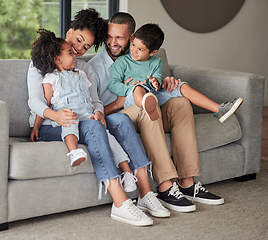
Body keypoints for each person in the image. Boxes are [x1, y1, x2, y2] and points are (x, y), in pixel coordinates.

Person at [27, 8, 169, 226]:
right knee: (93, 128)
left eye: (85, 46)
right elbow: (35, 102)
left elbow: (95, 101)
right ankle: (120, 202)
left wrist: (98, 113)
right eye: (78, 40)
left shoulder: (83, 68)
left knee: (120, 120)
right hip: (52, 125)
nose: (79, 49)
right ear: (69, 31)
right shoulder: (42, 63)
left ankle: (145, 193)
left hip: (83, 118)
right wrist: (55, 115)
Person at [89, 12, 225, 213]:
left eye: (119, 37)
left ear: (132, 37)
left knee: (180, 104)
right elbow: (93, 110)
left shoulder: (145, 57)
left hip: (148, 107)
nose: (112, 42)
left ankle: (187, 182)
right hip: (118, 117)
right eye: (109, 36)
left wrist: (165, 83)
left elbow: (155, 84)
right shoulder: (93, 67)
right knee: (146, 109)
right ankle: (165, 186)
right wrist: (120, 101)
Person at [108, 23, 244, 123]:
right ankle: (148, 110)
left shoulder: (157, 62)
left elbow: (157, 79)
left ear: (153, 52)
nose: (134, 51)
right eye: (133, 45)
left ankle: (219, 109)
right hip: (132, 99)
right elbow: (113, 85)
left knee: (182, 85)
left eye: (140, 49)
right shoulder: (122, 62)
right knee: (138, 89)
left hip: (153, 96)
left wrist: (155, 82)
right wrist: (130, 88)